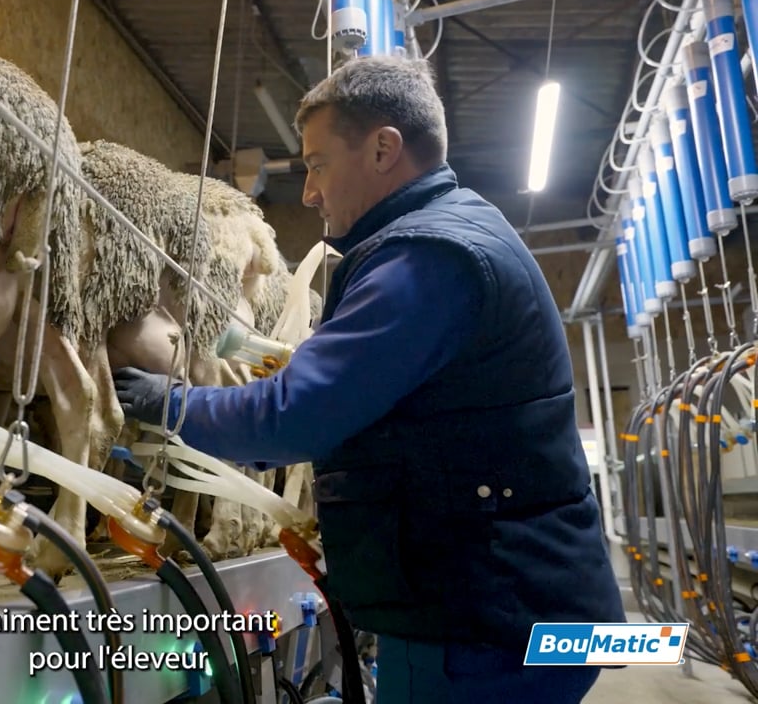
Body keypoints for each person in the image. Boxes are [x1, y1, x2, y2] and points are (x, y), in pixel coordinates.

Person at [112, 55, 626, 703]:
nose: (308, 192)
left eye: (318, 164)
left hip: (481, 623)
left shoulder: (430, 257)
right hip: (518, 604)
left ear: (384, 149)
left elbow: (296, 418)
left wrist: (172, 406)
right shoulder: (455, 232)